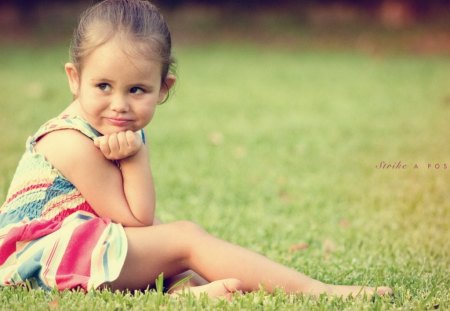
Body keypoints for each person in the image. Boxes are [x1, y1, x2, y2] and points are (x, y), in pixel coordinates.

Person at [0, 0, 392, 299]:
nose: (119, 103)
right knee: (184, 238)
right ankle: (316, 290)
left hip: (80, 250)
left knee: (176, 242)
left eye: (136, 90)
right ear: (75, 78)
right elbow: (136, 220)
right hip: (40, 261)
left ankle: (188, 293)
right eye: (103, 86)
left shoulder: (109, 125)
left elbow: (134, 227)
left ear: (163, 88)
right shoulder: (69, 142)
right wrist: (137, 157)